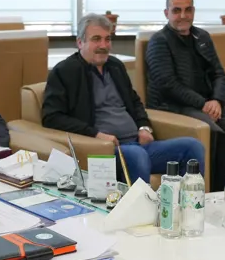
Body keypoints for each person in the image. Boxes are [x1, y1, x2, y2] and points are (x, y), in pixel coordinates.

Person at [43, 13, 205, 184]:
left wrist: (144, 127)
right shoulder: (65, 71)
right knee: (137, 155)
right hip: (106, 150)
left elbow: (134, 102)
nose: (103, 45)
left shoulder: (115, 66)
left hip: (138, 144)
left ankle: (186, 200)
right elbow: (52, 117)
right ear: (80, 42)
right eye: (96, 39)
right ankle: (140, 202)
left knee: (193, 147)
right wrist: (95, 134)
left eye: (107, 39)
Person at [144, 0, 225, 151]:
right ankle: (215, 166)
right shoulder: (159, 41)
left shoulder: (202, 37)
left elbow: (219, 74)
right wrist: (203, 104)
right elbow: (168, 85)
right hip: (172, 106)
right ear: (167, 13)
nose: (183, 15)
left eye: (188, 10)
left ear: (193, 11)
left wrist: (217, 100)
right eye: (177, 10)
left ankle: (221, 165)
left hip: (204, 103)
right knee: (215, 135)